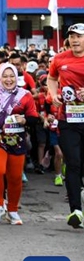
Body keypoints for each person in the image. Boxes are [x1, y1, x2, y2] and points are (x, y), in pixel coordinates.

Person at [0, 63, 38, 225]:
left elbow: (34, 117)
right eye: (5, 76)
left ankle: (12, 210)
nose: (9, 79)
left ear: (17, 77)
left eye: (12, 76)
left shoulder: (25, 95)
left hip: (17, 140)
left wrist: (24, 119)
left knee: (15, 177)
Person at [47, 23, 84, 228]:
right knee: (73, 162)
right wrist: (53, 96)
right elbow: (52, 79)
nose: (75, 40)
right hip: (68, 118)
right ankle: (76, 211)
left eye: (79, 36)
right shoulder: (59, 59)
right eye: (72, 36)